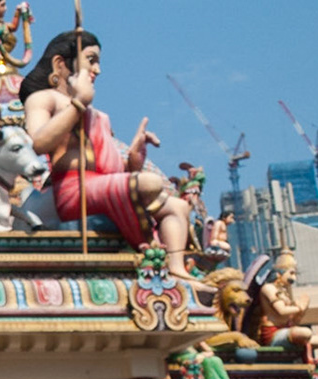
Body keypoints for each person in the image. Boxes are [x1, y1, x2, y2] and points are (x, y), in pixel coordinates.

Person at [21, 29, 195, 279]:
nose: (97, 70)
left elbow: (112, 172)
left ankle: (175, 268)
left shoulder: (99, 116)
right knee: (151, 183)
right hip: (74, 190)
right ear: (60, 64)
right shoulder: (45, 99)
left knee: (179, 206)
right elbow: (37, 143)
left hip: (101, 188)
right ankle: (148, 240)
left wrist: (134, 159)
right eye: (91, 60)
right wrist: (78, 104)